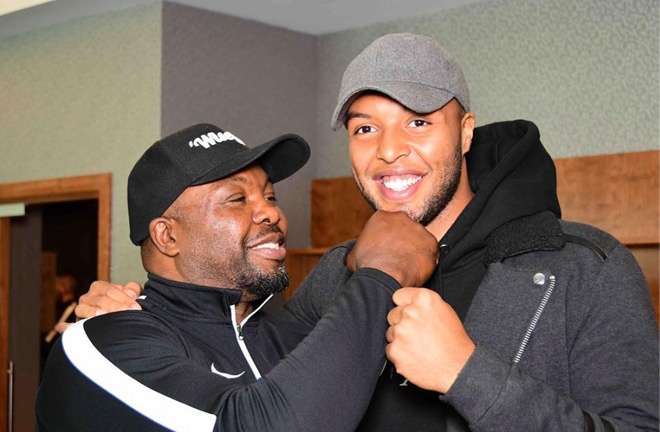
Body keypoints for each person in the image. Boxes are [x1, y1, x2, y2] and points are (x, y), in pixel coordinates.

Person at [75, 34, 659, 431]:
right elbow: (249, 363)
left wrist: (468, 374)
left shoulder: (584, 265)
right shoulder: (340, 270)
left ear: (465, 133)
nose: (389, 152)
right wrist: (138, 308)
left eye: (419, 121)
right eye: (364, 127)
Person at [36, 123, 439, 431]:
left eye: (270, 196)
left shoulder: (283, 333)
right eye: (236, 199)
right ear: (167, 235)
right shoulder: (102, 340)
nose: (271, 213)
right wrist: (383, 272)